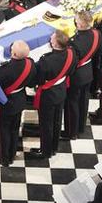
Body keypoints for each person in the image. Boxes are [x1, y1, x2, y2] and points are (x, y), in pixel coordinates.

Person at [0, 40, 36, 166]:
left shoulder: (3, 70)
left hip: (6, 104)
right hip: (19, 101)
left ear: (12, 53)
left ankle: (3, 159)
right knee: (14, 129)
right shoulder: (30, 64)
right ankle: (12, 153)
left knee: (3, 132)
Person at [30, 32, 75, 160]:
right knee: (56, 121)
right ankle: (54, 147)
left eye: (52, 38)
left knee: (46, 124)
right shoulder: (71, 53)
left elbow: (39, 79)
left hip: (48, 96)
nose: (50, 38)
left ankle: (45, 151)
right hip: (61, 91)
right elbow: (71, 70)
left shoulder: (46, 60)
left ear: (54, 43)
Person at [65, 11, 101, 139]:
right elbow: (99, 51)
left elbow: (71, 62)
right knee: (84, 100)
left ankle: (71, 132)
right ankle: (81, 126)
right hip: (88, 72)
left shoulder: (74, 41)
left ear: (79, 24)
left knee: (72, 103)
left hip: (77, 76)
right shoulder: (96, 34)